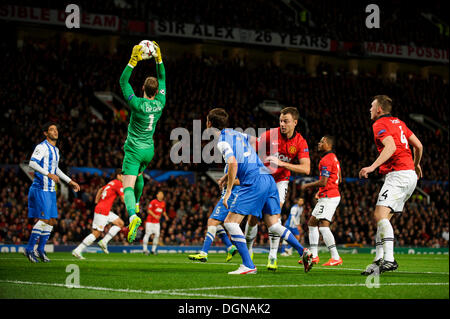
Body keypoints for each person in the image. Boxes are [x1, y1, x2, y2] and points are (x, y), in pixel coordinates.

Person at [207, 108, 313, 275]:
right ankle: (303, 251)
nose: (282, 124)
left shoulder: (223, 140)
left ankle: (248, 264)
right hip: (268, 180)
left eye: (286, 121)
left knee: (230, 222)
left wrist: (227, 192)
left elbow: (234, 162)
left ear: (209, 124)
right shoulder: (237, 135)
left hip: (255, 181)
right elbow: (249, 150)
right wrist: (227, 176)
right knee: (274, 225)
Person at [359, 95, 423, 275]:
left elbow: (391, 147)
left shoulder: (379, 124)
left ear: (379, 109)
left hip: (398, 174)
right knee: (383, 219)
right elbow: (419, 146)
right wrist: (416, 164)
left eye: (372, 106)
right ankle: (378, 260)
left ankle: (389, 260)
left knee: (380, 215)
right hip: (409, 175)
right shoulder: (400, 123)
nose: (370, 109)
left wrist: (371, 167)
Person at [245, 107, 311, 271]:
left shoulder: (300, 142)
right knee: (253, 218)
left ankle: (273, 256)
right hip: (263, 178)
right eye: (281, 121)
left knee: (274, 216)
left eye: (286, 121)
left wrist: (283, 164)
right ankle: (249, 250)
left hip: (281, 181)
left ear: (295, 123)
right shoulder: (269, 135)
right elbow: (252, 152)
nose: (282, 124)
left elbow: (306, 169)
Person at [119, 41, 166, 243]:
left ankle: (132, 215)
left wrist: (132, 62)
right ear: (156, 92)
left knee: (126, 187)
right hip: (149, 149)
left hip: (134, 149)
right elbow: (162, 77)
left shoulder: (136, 103)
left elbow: (123, 82)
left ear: (142, 89)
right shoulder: (160, 103)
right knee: (138, 175)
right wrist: (159, 59)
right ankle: (137, 203)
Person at [25, 122, 80, 263]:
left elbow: (56, 170)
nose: (55, 131)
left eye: (56, 129)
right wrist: (48, 174)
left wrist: (70, 181)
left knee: (52, 220)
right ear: (45, 133)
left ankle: (40, 250)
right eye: (51, 129)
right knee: (43, 219)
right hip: (40, 188)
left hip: (50, 190)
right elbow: (32, 163)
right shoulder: (41, 147)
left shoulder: (56, 150)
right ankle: (29, 249)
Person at [300, 135, 343, 266]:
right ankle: (314, 256)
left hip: (329, 197)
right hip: (329, 194)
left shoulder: (326, 159)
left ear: (328, 145)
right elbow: (339, 179)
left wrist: (307, 185)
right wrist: (321, 191)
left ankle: (335, 257)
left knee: (323, 228)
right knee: (312, 223)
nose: (319, 143)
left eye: (322, 141)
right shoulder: (334, 158)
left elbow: (324, 181)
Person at [187, 165, 238, 263]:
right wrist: (223, 179)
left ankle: (203, 253)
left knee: (212, 222)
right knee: (215, 224)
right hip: (228, 196)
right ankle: (230, 247)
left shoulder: (237, 160)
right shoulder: (231, 162)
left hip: (230, 197)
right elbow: (231, 173)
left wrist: (227, 182)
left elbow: (242, 181)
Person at [72, 169, 125, 260]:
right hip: (103, 211)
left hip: (104, 210)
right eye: (123, 176)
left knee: (120, 223)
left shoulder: (111, 183)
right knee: (96, 234)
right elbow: (123, 200)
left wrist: (97, 202)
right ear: (118, 175)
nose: (124, 178)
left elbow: (101, 189)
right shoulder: (118, 184)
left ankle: (104, 241)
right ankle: (77, 250)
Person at [143, 191, 168, 255]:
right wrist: (155, 215)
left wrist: (166, 216)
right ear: (157, 195)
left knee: (157, 235)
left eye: (162, 194)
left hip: (157, 222)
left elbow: (163, 211)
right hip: (150, 221)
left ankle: (153, 250)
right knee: (147, 234)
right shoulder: (153, 202)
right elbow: (149, 210)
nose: (161, 195)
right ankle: (145, 250)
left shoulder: (163, 203)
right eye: (160, 194)